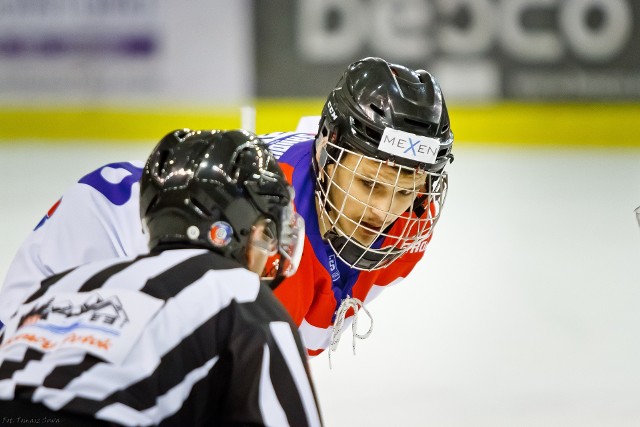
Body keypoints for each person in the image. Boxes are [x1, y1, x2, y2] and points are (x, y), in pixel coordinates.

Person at [0, 57, 454, 358]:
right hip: (84, 267)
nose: (384, 211)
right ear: (327, 151)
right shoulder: (262, 225)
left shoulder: (410, 223)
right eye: (370, 183)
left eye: (405, 189)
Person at [0, 129, 321, 426]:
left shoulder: (61, 288)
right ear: (233, 233)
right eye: (266, 235)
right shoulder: (238, 293)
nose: (271, 253)